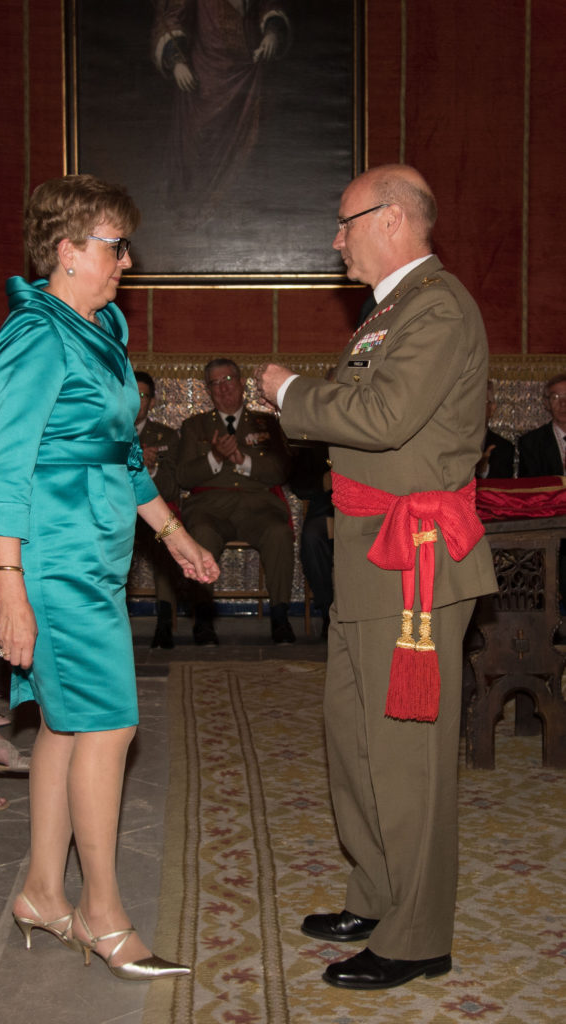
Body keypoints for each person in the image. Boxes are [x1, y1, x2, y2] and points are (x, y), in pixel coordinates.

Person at [256, 164, 497, 991]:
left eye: (343, 221)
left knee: (405, 752)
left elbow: (384, 420)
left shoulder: (435, 305)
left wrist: (289, 391)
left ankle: (417, 933)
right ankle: (376, 891)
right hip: (371, 554)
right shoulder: (388, 311)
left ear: (390, 219)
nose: (335, 238)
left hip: (415, 557)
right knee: (354, 738)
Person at [0, 173, 218, 980]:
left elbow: (117, 453)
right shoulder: (35, 335)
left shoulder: (95, 326)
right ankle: (101, 914)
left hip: (95, 553)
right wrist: (9, 586)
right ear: (67, 249)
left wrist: (172, 533)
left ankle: (43, 892)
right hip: (52, 559)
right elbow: (5, 470)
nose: (126, 261)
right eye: (115, 245)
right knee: (111, 722)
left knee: (67, 725)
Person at [177, 357, 295, 645]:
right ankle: (203, 620)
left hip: (258, 508)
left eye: (228, 380)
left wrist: (242, 459)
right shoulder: (196, 426)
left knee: (279, 533)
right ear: (207, 390)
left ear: (242, 383)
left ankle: (280, 616)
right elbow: (183, 476)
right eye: (215, 383)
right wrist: (214, 457)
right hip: (210, 509)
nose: (223, 388)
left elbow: (280, 471)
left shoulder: (266, 422)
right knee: (201, 534)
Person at [151, 0, 292, 217]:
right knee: (199, 157)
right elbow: (170, 18)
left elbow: (268, 5)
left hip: (247, 77)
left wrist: (272, 33)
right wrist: (176, 61)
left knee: (248, 152)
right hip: (205, 82)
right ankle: (192, 216)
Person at [133, 371, 181, 649]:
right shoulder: (108, 431)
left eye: (143, 396)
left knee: (167, 540)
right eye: (133, 394)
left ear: (152, 402)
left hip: (154, 513)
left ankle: (164, 619)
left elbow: (173, 488)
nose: (137, 402)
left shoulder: (166, 436)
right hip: (117, 514)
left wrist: (149, 469)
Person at [517, 372, 566, 608]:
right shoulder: (532, 443)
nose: (563, 403)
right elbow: (530, 491)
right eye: (556, 397)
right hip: (550, 533)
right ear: (546, 403)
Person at [288, 441, 333, 637]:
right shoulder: (317, 437)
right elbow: (300, 485)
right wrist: (325, 480)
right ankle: (328, 612)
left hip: (371, 503)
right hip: (329, 507)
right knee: (313, 536)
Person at [476, 380, 515, 478]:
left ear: (492, 408)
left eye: (481, 401)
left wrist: (482, 470)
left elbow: (503, 489)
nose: (473, 408)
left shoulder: (504, 448)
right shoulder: (451, 442)